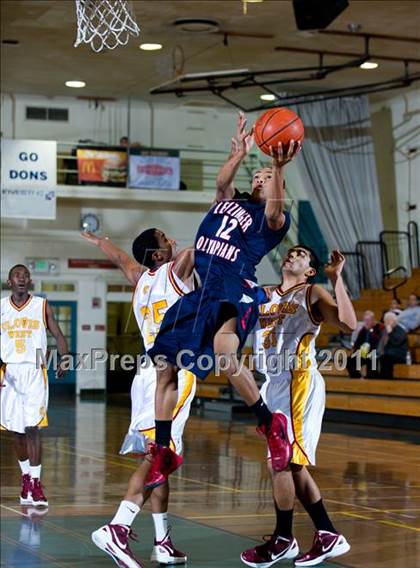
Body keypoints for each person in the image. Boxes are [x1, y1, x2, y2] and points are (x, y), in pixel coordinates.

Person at [144, 111, 300, 487]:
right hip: (203, 292)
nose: (262, 178)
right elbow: (220, 183)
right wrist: (240, 154)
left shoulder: (271, 221)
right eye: (259, 175)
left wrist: (278, 168)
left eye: (269, 177)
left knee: (227, 357)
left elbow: (276, 209)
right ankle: (163, 448)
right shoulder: (229, 203)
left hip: (235, 289)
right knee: (164, 366)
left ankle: (270, 425)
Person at [83, 230, 195, 567]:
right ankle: (118, 527)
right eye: (164, 238)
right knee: (159, 457)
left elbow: (120, 258)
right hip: (171, 374)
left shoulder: (139, 278)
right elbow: (205, 245)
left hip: (146, 374)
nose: (170, 239)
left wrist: (100, 241)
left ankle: (162, 540)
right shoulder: (175, 271)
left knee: (157, 457)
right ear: (158, 255)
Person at [241, 247, 356, 567]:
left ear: (309, 271)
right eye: (291, 252)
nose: (292, 255)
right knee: (290, 464)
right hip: (272, 385)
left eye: (301, 254)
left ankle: (283, 538)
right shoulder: (264, 294)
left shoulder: (312, 291)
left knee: (280, 462)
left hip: (299, 383)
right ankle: (327, 534)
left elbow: (348, 324)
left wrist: (337, 279)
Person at [0, 264, 69, 507]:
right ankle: (26, 478)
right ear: (10, 281)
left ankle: (37, 483)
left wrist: (65, 357)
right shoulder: (1, 307)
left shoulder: (41, 305)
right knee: (16, 431)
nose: (22, 279)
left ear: (30, 281)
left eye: (25, 276)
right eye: (17, 276)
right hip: (8, 372)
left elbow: (58, 334)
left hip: (33, 370)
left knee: (32, 428)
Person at [346, 311, 383, 378]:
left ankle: (372, 378)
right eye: (365, 320)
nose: (366, 322)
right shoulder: (363, 330)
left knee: (372, 360)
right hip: (362, 353)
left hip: (373, 352)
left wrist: (369, 331)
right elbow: (357, 343)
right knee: (349, 360)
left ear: (373, 320)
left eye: (368, 320)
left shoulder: (378, 328)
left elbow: (378, 342)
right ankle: (357, 377)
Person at [379, 311, 408, 379]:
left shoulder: (400, 330)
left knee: (385, 358)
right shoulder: (384, 331)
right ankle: (373, 379)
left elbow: (396, 342)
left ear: (394, 321)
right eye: (385, 321)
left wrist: (390, 333)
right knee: (373, 358)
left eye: (388, 321)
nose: (386, 323)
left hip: (398, 355)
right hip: (386, 354)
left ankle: (386, 380)